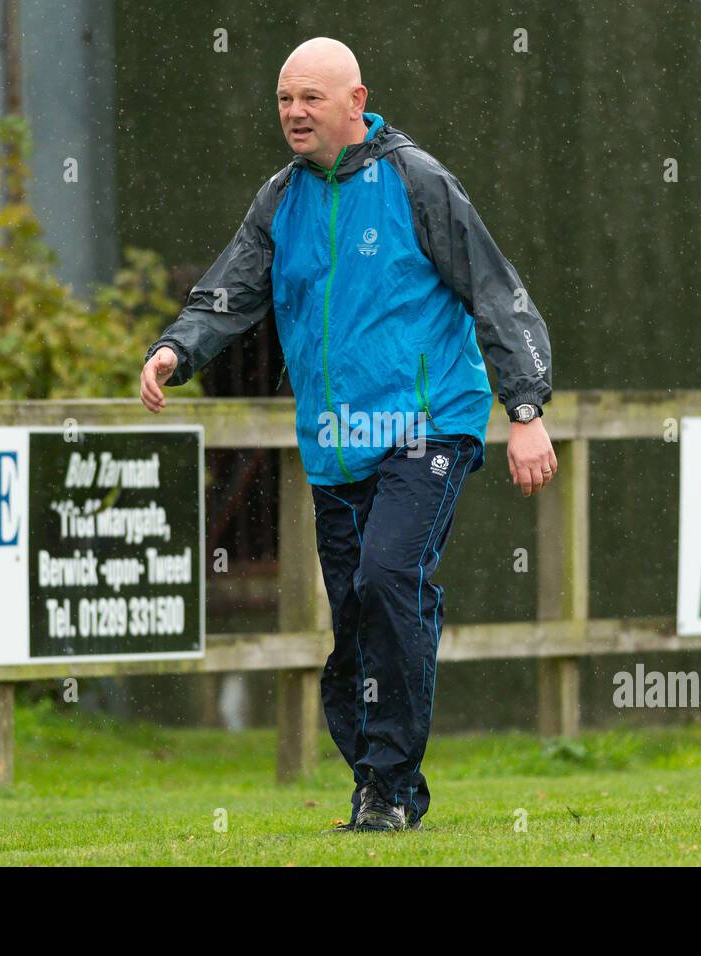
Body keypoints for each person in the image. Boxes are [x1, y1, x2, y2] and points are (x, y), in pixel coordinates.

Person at [140, 37, 555, 831]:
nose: (294, 114)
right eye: (284, 100)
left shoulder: (417, 181)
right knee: (354, 618)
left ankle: (396, 786)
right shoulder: (280, 198)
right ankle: (373, 783)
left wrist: (525, 412)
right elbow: (229, 288)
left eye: (311, 99)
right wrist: (173, 348)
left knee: (387, 577)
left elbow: (497, 293)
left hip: (428, 425)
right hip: (336, 443)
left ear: (356, 102)